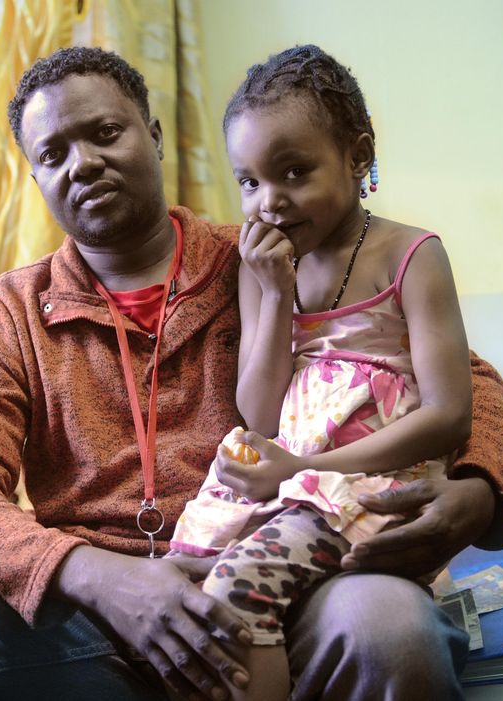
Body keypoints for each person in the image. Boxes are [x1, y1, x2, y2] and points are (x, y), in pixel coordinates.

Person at [0, 46, 503, 701]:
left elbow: (462, 376)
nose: (83, 164)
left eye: (104, 133)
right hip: (86, 617)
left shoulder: (258, 255)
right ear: (34, 177)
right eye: (53, 153)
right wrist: (98, 576)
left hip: (278, 586)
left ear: (153, 136)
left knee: (390, 629)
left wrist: (480, 487)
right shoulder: (16, 310)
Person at [167, 44, 473, 701]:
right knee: (181, 587)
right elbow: (260, 415)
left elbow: (449, 415)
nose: (269, 201)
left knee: (233, 594)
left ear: (358, 156)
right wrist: (275, 294)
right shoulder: (262, 267)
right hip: (290, 482)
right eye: (249, 181)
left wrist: (308, 471)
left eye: (295, 171)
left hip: (371, 484)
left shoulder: (410, 257)